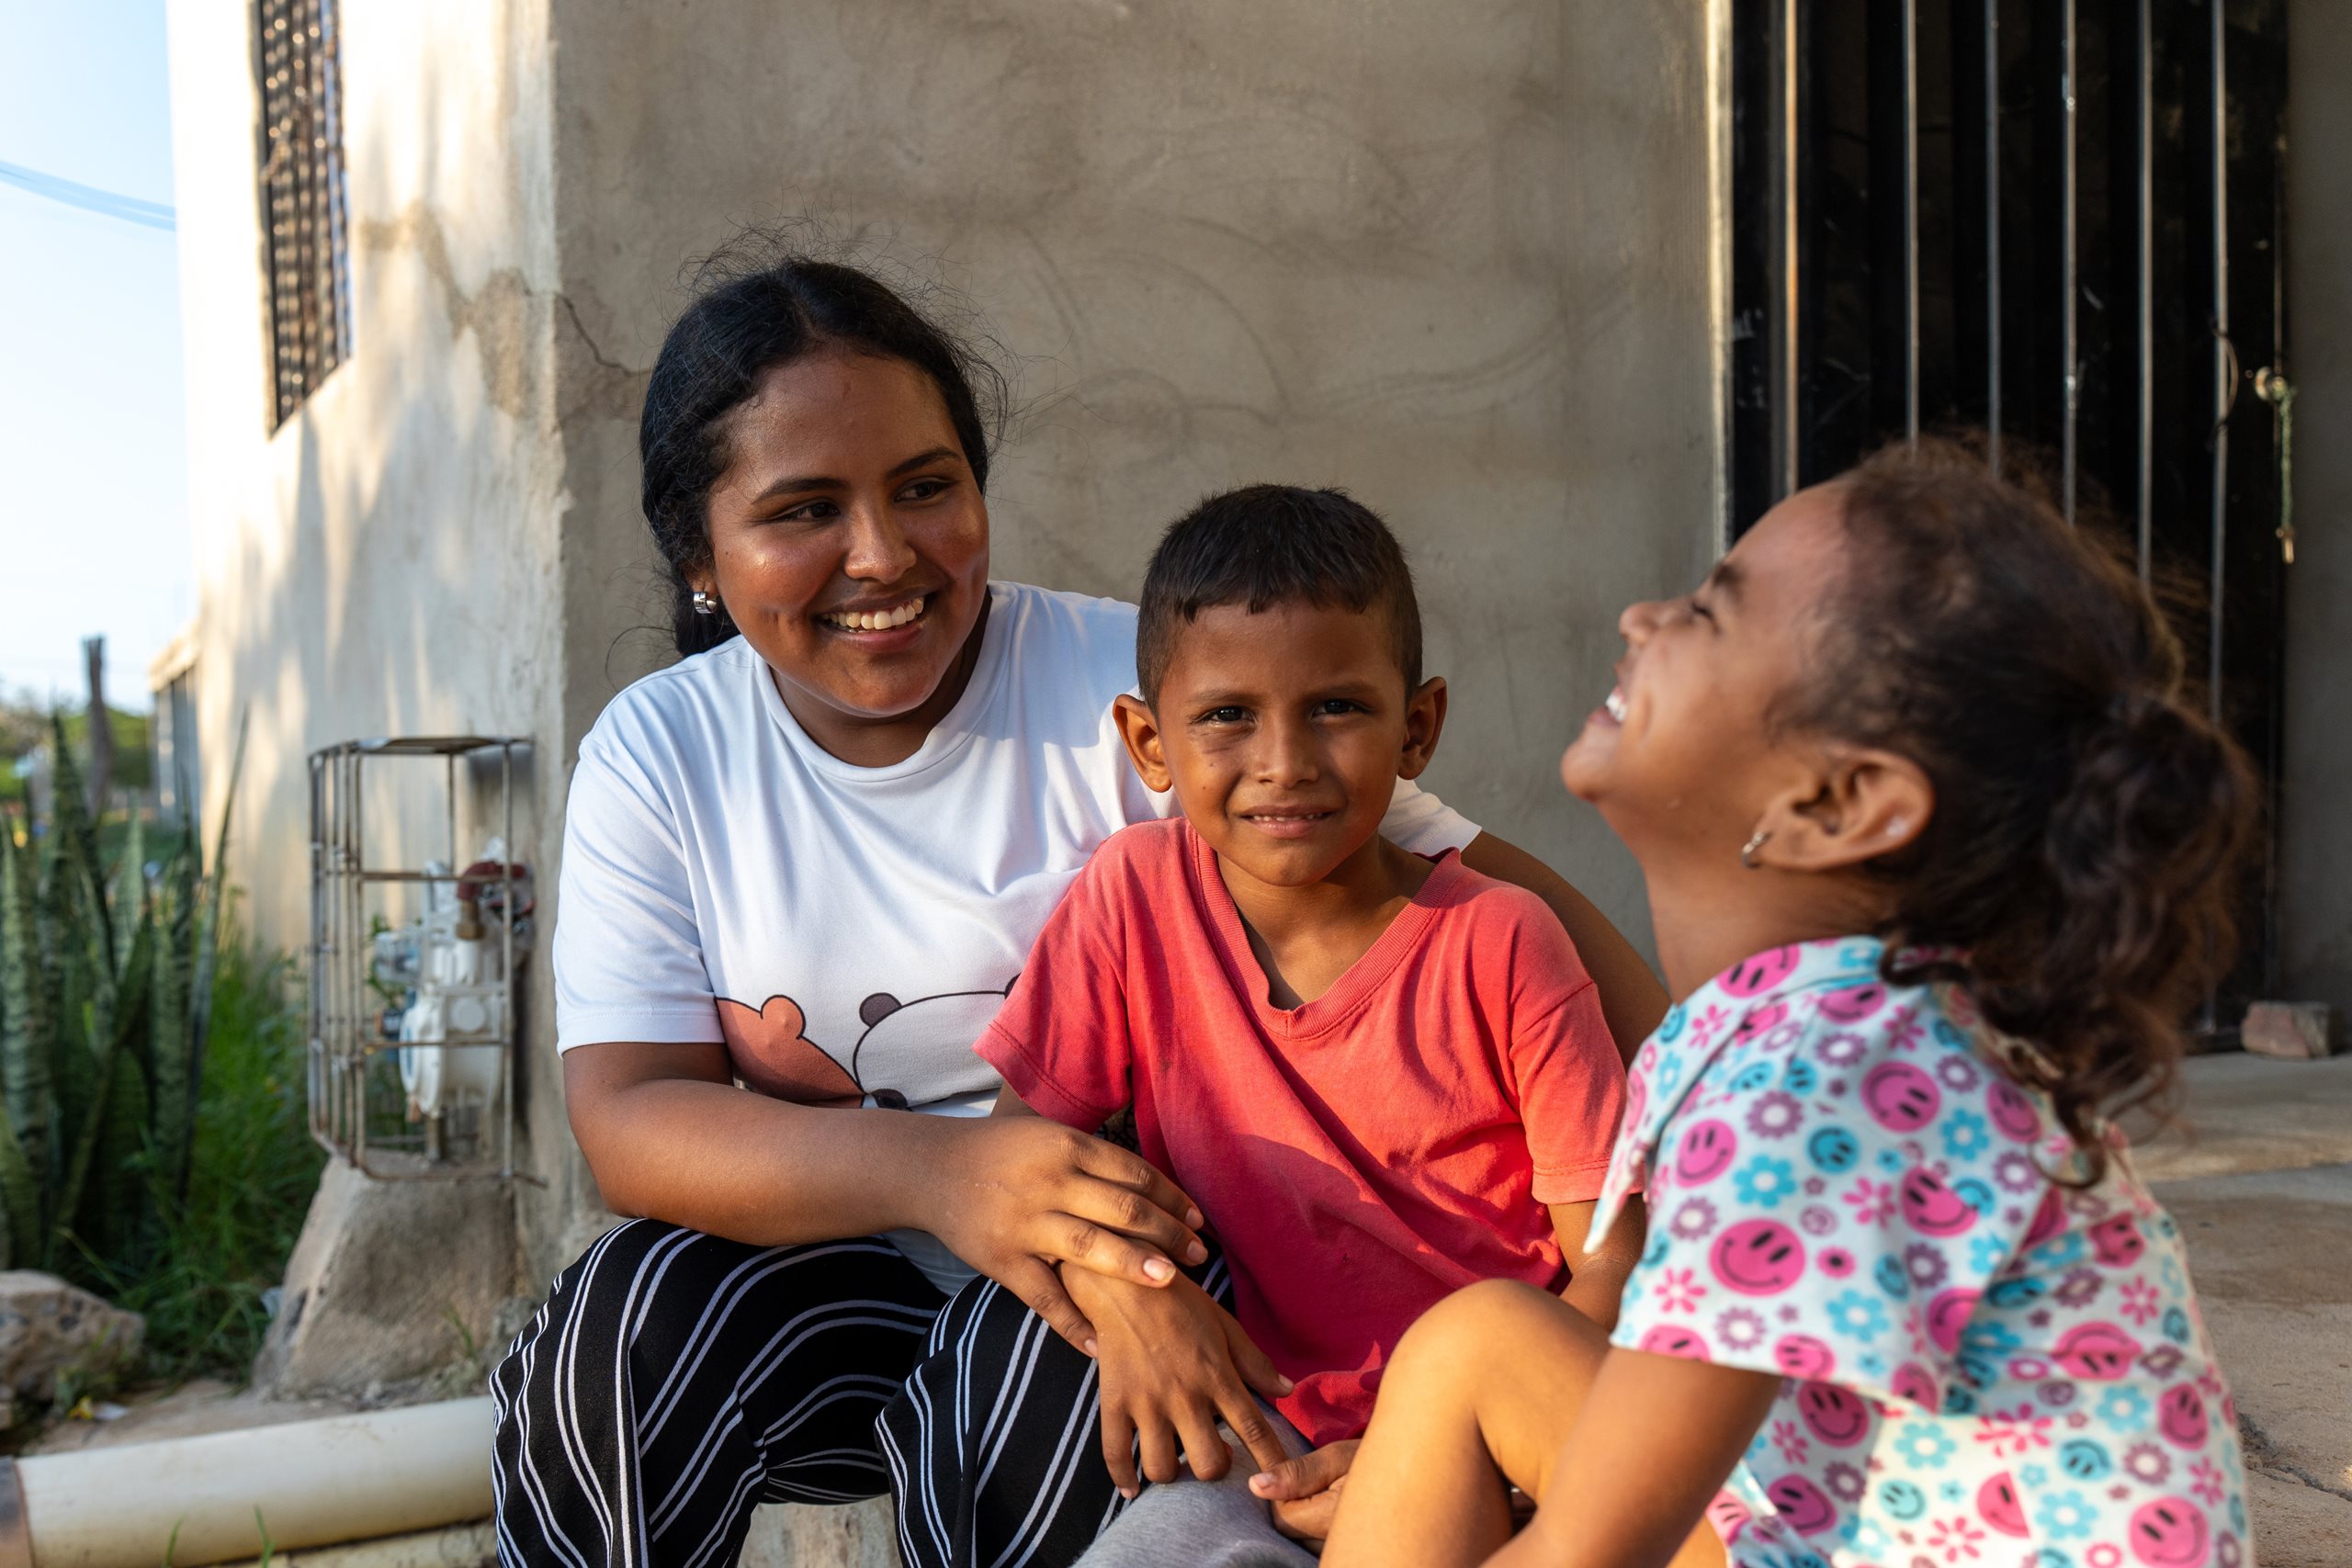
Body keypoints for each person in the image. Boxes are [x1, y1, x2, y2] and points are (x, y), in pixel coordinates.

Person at [488, 243, 1668, 1568]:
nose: (881, 553)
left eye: (926, 487)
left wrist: (1735, 1083)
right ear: (697, 553)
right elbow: (634, 1118)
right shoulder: (662, 751)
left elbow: (1474, 888)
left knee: (1055, 1397)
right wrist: (950, 1174)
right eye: (803, 509)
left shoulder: (1153, 691)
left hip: (1137, 1256)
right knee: (608, 1346)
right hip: (827, 1259)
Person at [1317, 438, 2258, 1568]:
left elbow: (1589, 1554)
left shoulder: (1822, 1083)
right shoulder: (1824, 1027)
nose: (1639, 615)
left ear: (1840, 803)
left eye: (1709, 613)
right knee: (1476, 1343)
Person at [880, 486, 1645, 1568]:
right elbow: (1026, 1165)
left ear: (1416, 726)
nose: (1283, 761)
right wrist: (1133, 1294)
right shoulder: (1133, 900)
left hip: (1497, 1450)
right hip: (1272, 1453)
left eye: (1335, 707)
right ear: (1148, 742)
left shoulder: (1503, 944)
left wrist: (1456, 1461)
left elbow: (1616, 1268)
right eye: (1228, 715)